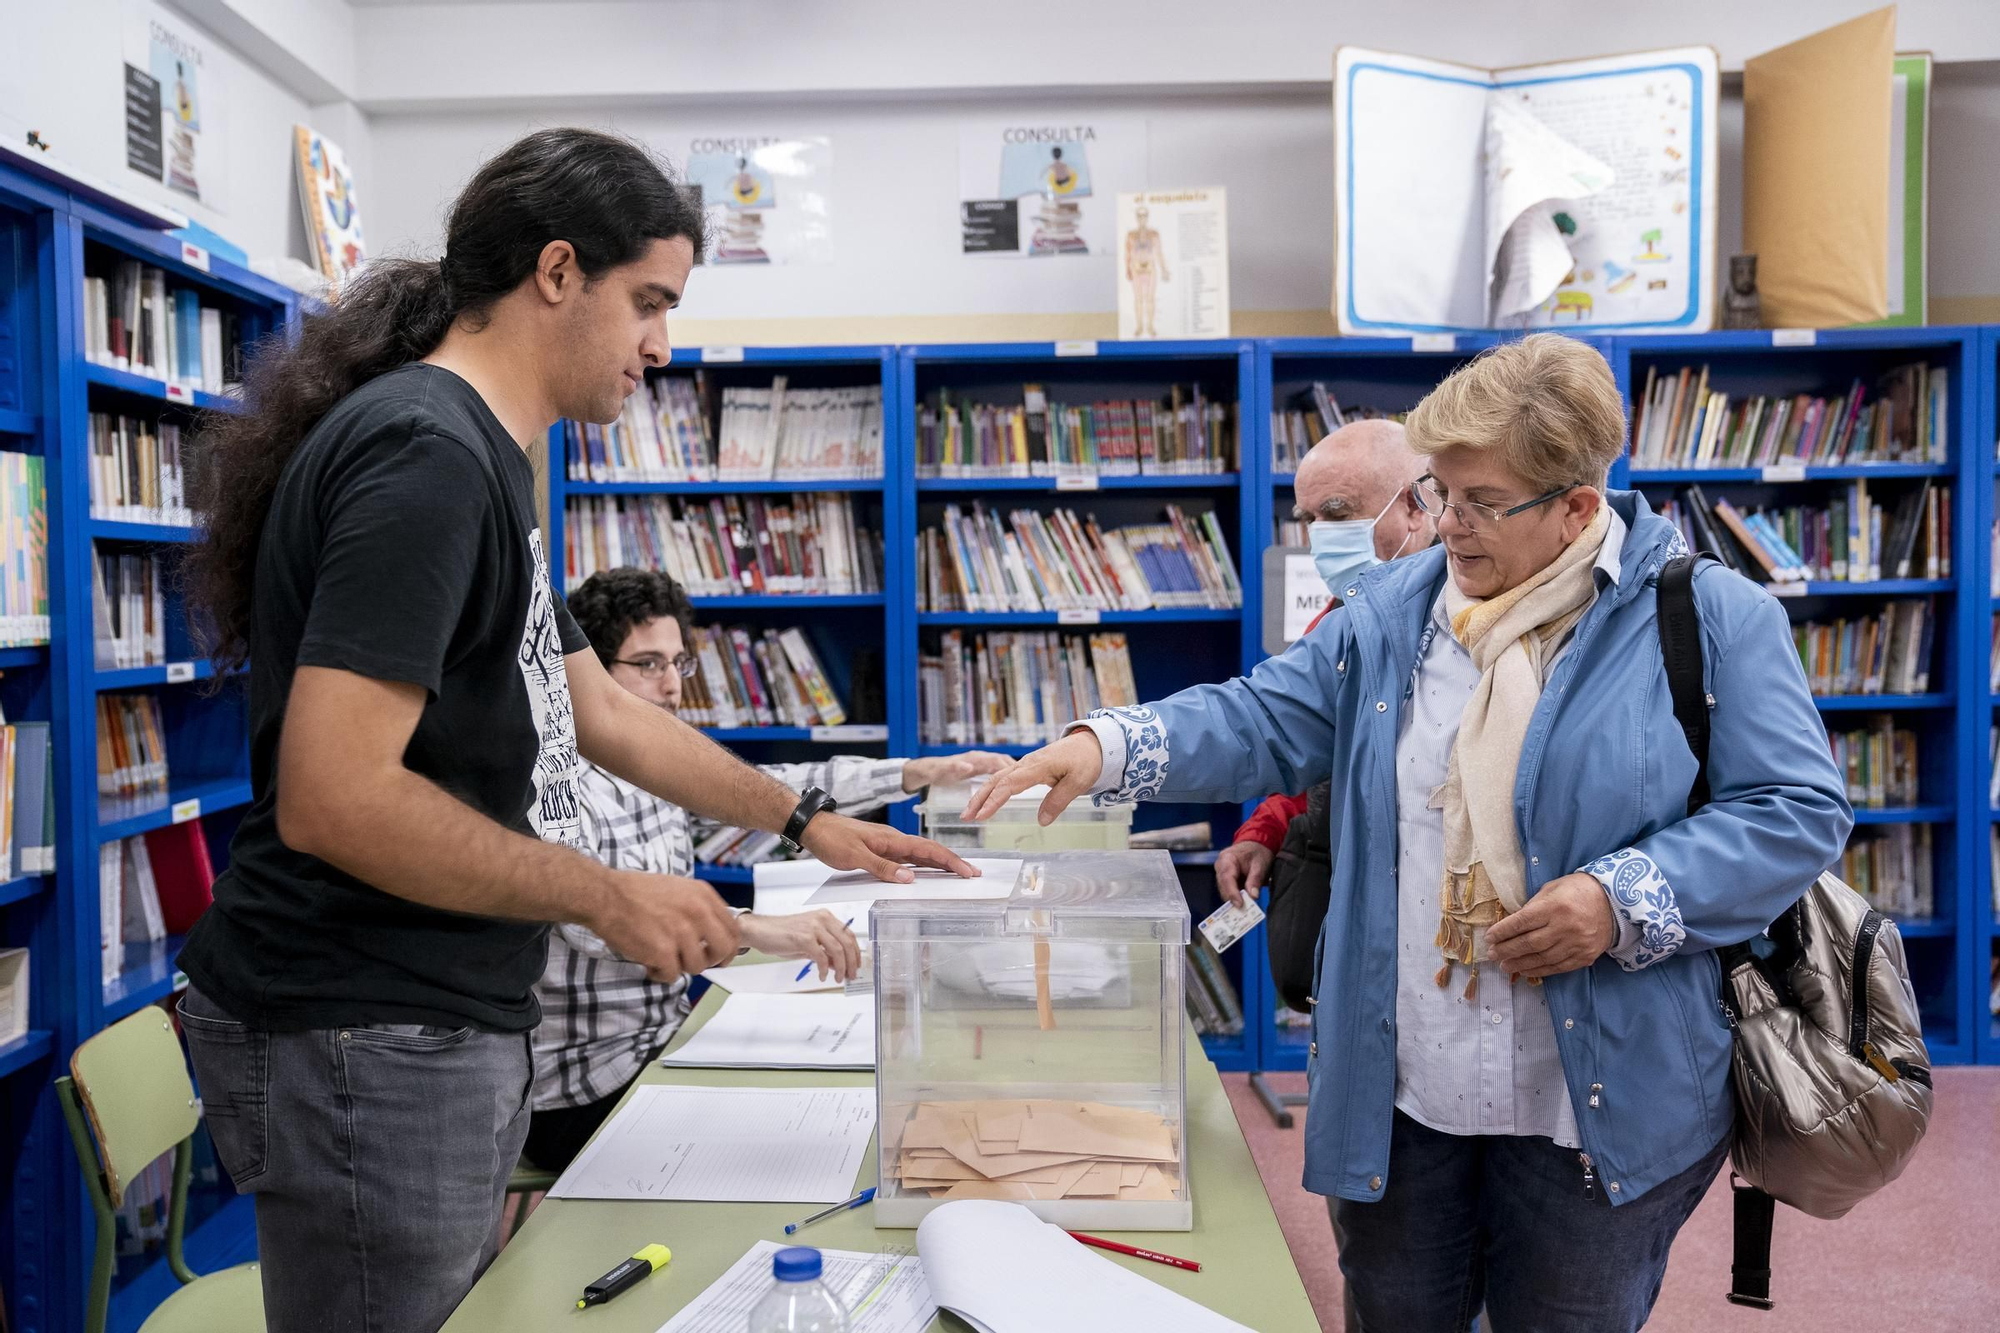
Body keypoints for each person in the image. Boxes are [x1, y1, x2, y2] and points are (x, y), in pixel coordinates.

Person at [173, 128, 972, 1333]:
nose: (662, 344)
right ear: (556, 273)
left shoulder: (492, 461)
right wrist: (606, 893)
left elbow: (592, 706)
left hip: (434, 1017)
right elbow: (333, 794)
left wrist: (809, 817)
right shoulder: (426, 457)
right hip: (363, 1025)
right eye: (648, 302)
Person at [967, 333, 1851, 1333]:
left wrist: (1619, 898)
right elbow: (1262, 717)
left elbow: (1795, 809)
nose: (1448, 525)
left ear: (1575, 505)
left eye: (1480, 502)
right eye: (1438, 492)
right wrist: (1105, 744)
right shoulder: (1396, 611)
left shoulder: (1705, 618)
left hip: (1590, 1100)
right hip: (1405, 1088)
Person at [529, 567, 1010, 1170]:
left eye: (679, 663)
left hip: (666, 1043)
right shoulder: (557, 779)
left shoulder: (655, 767)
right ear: (589, 673)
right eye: (647, 664)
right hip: (586, 1086)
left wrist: (912, 773)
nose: (672, 685)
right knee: (803, 1146)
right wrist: (755, 928)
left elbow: (764, 790)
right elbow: (592, 919)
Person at [1214, 419, 1432, 906]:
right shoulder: (1335, 621)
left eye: (1337, 514)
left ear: (1415, 506)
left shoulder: (1465, 621)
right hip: (1334, 889)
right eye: (1309, 518)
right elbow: (1304, 740)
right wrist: (1264, 831)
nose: (1320, 537)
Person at [1124, 203, 1169, 337]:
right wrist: (1128, 269)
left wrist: (1164, 269)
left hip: (1150, 269)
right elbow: (1127, 253)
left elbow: (1159, 253)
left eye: (1144, 215)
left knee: (1150, 299)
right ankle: (1139, 326)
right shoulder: (1131, 235)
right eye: (1139, 215)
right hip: (1136, 269)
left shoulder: (1154, 234)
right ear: (1136, 217)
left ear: (1147, 217)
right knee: (1138, 299)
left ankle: (1150, 326)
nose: (1142, 218)